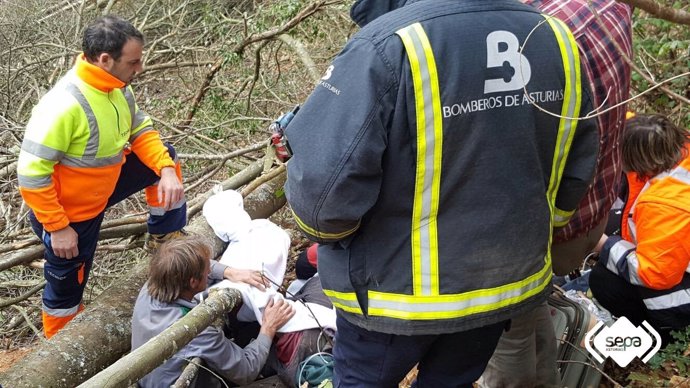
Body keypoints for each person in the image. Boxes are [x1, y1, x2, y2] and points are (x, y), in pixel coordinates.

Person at [284, 0, 599, 386]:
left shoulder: (386, 44)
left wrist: (338, 239)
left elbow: (321, 198)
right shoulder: (555, 36)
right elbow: (576, 162)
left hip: (393, 297)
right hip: (500, 289)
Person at [481, 1, 633, 386]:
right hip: (587, 213)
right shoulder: (611, 10)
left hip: (545, 227)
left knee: (505, 333)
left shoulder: (533, 37)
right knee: (531, 314)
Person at [17, 15, 187, 339]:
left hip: (102, 187)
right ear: (106, 60)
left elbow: (140, 130)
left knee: (166, 157)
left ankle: (165, 238)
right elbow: (31, 175)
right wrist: (58, 228)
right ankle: (63, 358)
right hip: (70, 216)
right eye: (133, 62)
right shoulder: (63, 105)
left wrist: (165, 169)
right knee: (65, 296)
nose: (140, 68)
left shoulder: (120, 89)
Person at [131, 235, 294, 388]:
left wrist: (230, 272)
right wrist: (268, 328)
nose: (210, 271)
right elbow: (246, 370)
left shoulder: (154, 285)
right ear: (193, 282)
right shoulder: (194, 331)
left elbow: (198, 265)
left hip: (147, 379)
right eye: (206, 271)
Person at [589, 114, 690, 335]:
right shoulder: (669, 146)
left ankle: (656, 335)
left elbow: (654, 275)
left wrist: (604, 245)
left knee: (604, 281)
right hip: (675, 259)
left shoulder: (665, 205)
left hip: (678, 290)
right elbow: (629, 122)